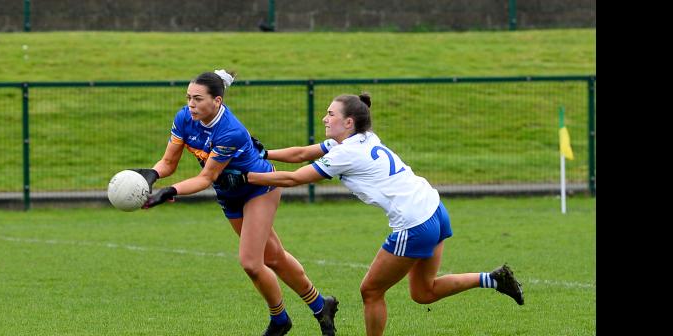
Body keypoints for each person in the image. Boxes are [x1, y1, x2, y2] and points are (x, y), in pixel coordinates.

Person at [217, 93, 524, 336]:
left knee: (371, 290)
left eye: (331, 114)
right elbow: (300, 153)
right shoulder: (359, 139)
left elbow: (295, 177)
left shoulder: (346, 153)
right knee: (423, 292)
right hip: (434, 209)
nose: (325, 118)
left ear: (349, 122)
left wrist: (247, 178)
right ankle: (494, 279)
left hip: (414, 224)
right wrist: (264, 154)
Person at [131, 70, 338, 336]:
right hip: (229, 194)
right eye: (188, 98)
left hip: (259, 187)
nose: (191, 105)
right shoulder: (184, 118)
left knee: (251, 262)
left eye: (198, 99)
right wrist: (153, 175)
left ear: (217, 101)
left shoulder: (230, 131)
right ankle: (322, 306)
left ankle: (279, 320)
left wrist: (170, 191)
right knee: (273, 257)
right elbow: (169, 162)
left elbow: (207, 177)